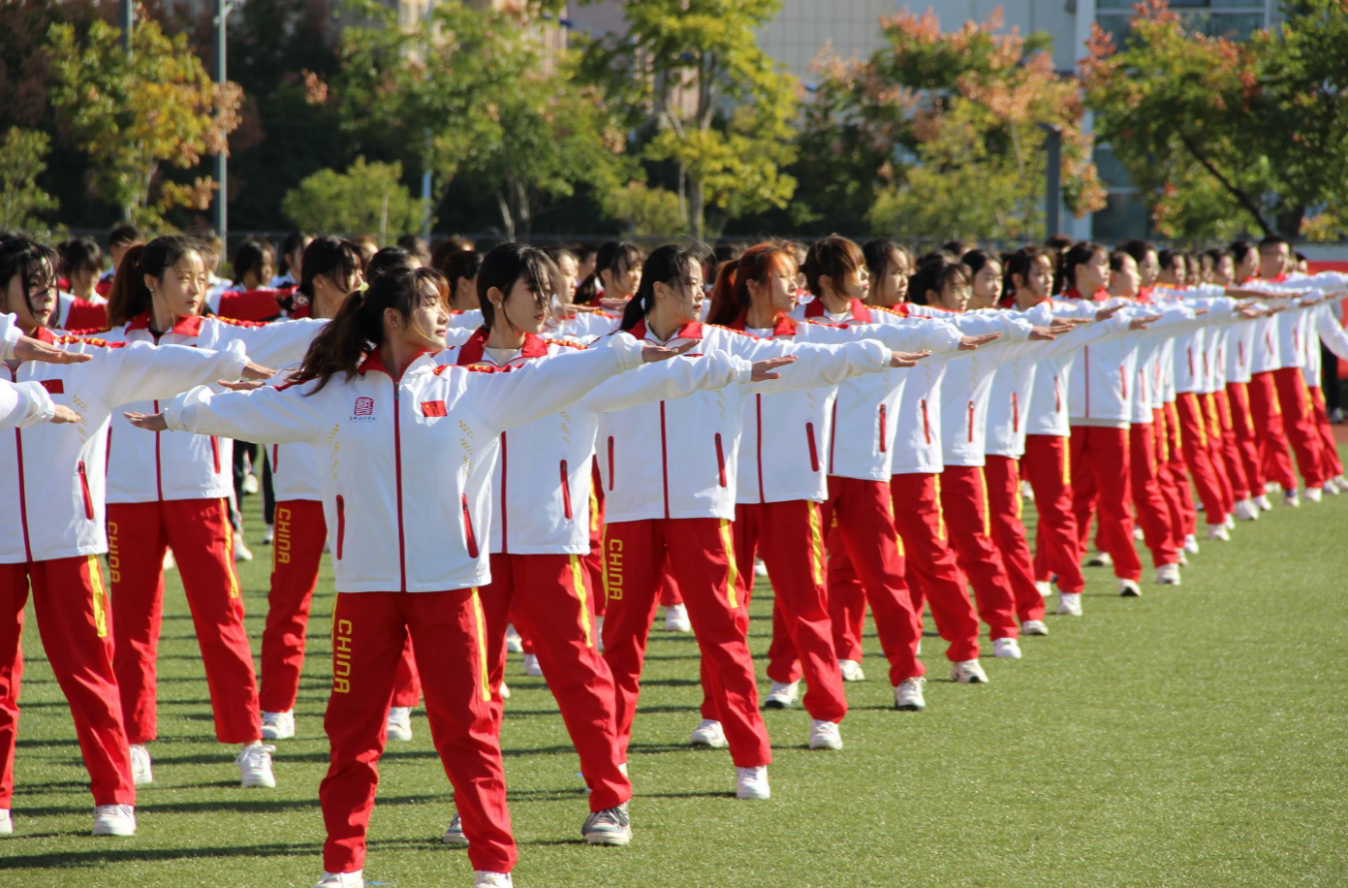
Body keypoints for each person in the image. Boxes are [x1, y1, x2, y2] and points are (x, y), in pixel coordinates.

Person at [127, 265, 687, 888]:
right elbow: (250, 410)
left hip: (450, 590)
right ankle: (343, 867)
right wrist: (179, 414)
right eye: (430, 303)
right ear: (392, 319)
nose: (446, 315)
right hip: (364, 593)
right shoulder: (333, 393)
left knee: (468, 731)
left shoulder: (470, 387)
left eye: (444, 303)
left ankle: (493, 867)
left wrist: (626, 351)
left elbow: (558, 375)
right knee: (352, 737)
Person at [598, 244, 922, 793]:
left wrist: (874, 355)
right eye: (691, 284)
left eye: (704, 283)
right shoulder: (610, 350)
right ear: (660, 291)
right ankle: (609, 762)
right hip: (629, 513)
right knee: (620, 644)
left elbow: (805, 360)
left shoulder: (723, 343)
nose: (702, 293)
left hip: (704, 511)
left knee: (724, 634)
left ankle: (751, 758)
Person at [0, 234, 272, 839]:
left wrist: (227, 365)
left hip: (73, 539)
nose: (47, 296)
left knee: (92, 671)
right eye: (32, 284)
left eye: (51, 284)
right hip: (23, 539)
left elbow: (166, 364)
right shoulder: (91, 342)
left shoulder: (86, 355)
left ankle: (117, 795)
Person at [100, 236, 329, 790]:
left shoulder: (218, 335)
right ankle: (133, 743)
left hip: (201, 495)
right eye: (183, 277)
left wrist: (356, 317)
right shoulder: (114, 343)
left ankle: (250, 743)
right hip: (126, 500)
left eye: (202, 279)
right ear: (151, 280)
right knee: (131, 628)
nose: (195, 289)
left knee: (222, 620)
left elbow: (290, 335)